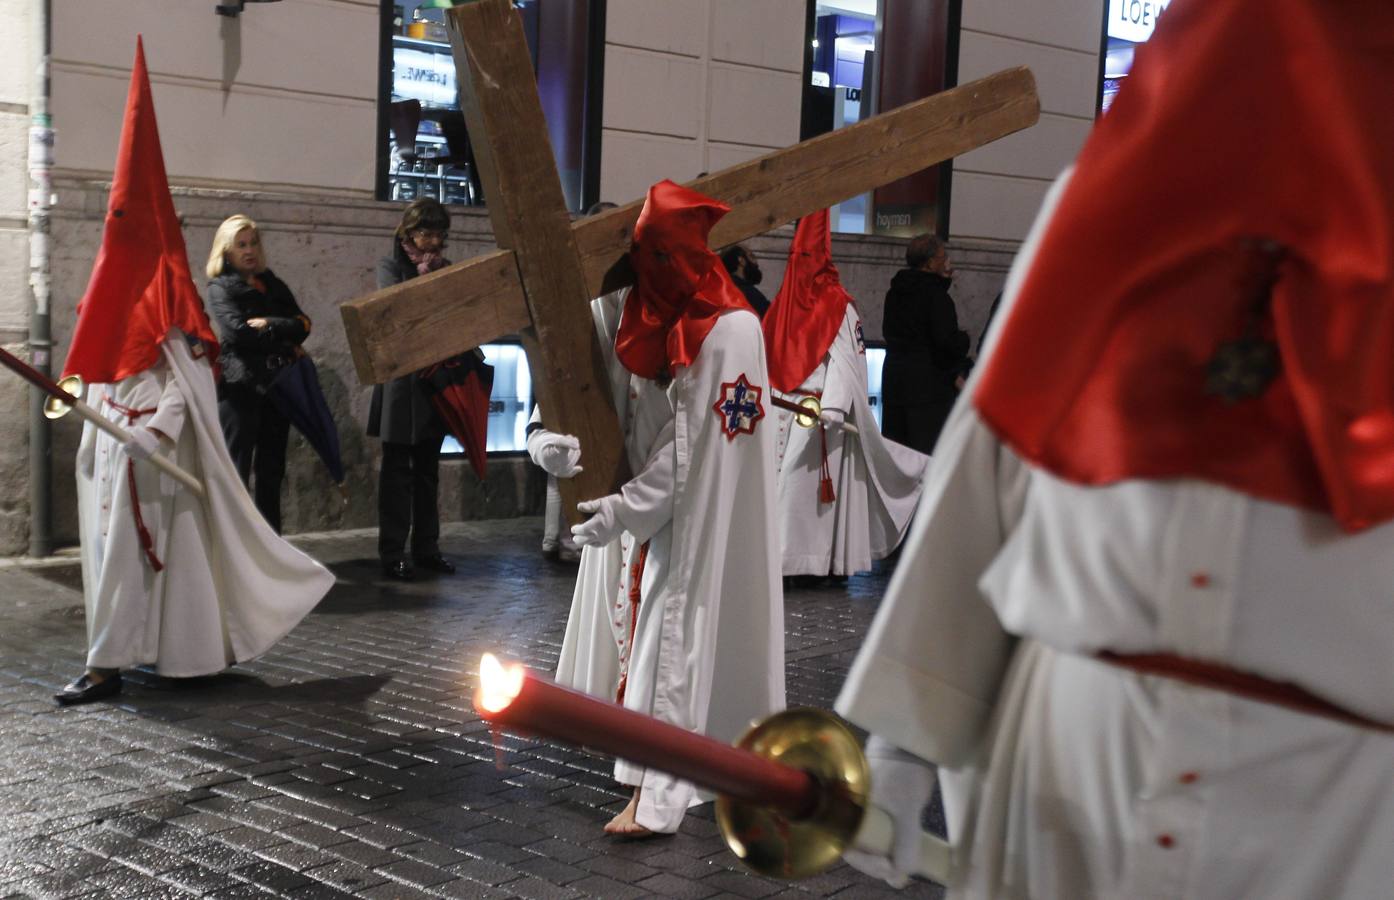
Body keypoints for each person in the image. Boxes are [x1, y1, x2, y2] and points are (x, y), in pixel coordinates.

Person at [837, 1, 1394, 896]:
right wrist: (904, 741)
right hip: (1065, 751)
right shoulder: (1106, 199)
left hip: (1334, 797)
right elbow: (991, 460)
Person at [55, 41, 334, 705]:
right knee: (111, 559)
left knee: (142, 558)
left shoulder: (165, 292)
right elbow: (100, 363)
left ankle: (113, 665)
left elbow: (184, 378)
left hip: (149, 455)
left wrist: (154, 434)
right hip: (111, 447)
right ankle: (142, 653)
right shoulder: (114, 287)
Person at [569, 180, 785, 836]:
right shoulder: (653, 310)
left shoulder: (728, 330)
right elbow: (605, 397)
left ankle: (655, 797)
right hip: (665, 511)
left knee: (676, 634)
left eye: (661, 257)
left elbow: (692, 451)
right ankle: (710, 768)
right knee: (675, 632)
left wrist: (626, 508)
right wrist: (561, 448)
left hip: (692, 516)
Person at [763, 209, 927, 582]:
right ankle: (781, 560)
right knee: (779, 487)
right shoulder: (785, 301)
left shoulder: (838, 305)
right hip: (782, 407)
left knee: (800, 490)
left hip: (816, 412)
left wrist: (835, 405)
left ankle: (807, 563)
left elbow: (846, 362)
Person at [367, 198, 464, 581]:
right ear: (408, 232)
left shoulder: (447, 270)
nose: (433, 241)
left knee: (427, 472)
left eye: (439, 234)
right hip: (401, 385)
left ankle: (428, 547)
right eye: (426, 233)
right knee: (396, 472)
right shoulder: (392, 267)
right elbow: (397, 312)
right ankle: (392, 552)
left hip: (433, 383)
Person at [206, 215, 311, 533]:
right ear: (226, 251)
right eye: (241, 245)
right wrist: (283, 332)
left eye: (253, 243)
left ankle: (270, 544)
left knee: (271, 472)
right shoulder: (221, 288)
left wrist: (269, 324)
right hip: (241, 389)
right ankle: (233, 545)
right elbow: (238, 333)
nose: (249, 250)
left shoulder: (272, 282)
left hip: (277, 388)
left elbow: (303, 325)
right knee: (235, 471)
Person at [879, 233, 969, 455]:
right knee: (924, 458)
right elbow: (946, 344)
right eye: (942, 256)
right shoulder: (936, 297)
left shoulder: (895, 292)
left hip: (895, 385)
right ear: (930, 263)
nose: (946, 260)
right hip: (927, 392)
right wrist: (964, 339)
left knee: (898, 455)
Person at [719, 243, 770, 317]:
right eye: (752, 256)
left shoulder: (722, 289)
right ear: (741, 260)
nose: (756, 263)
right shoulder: (750, 294)